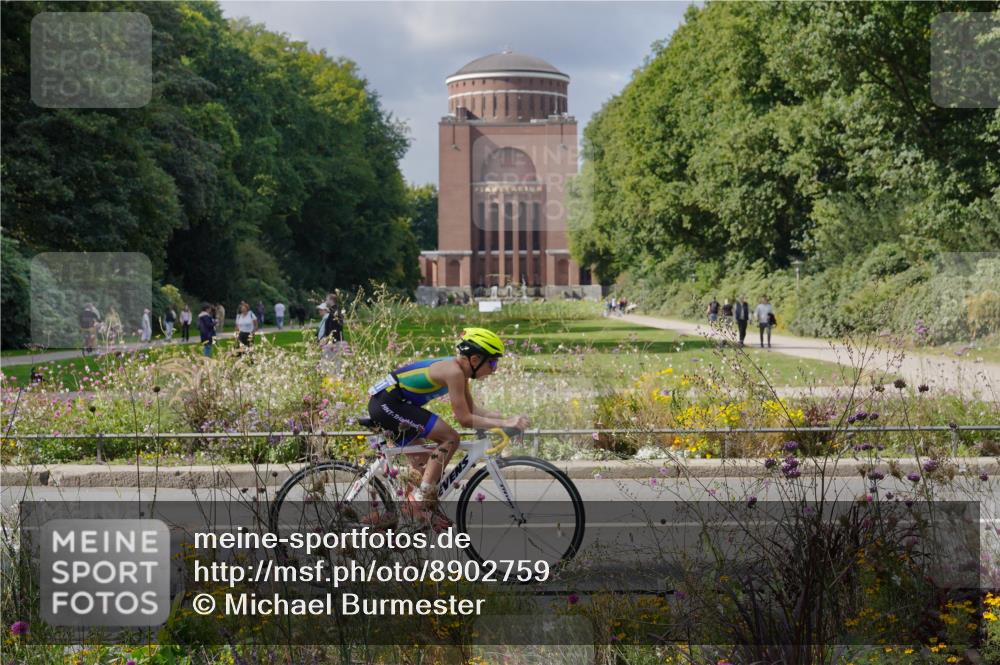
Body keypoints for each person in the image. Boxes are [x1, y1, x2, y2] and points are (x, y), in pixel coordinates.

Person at [366, 328, 529, 530]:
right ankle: (419, 502)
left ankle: (395, 517)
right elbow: (465, 420)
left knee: (426, 469)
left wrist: (505, 419)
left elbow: (472, 410)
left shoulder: (461, 371)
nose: (494, 369)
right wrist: (505, 423)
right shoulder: (454, 372)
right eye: (493, 362)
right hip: (387, 404)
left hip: (393, 404)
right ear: (476, 359)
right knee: (450, 438)